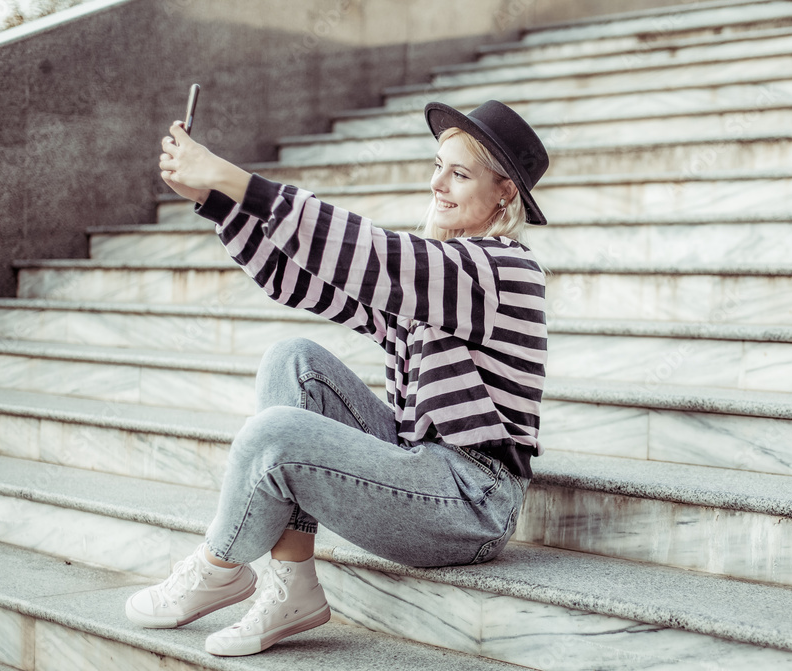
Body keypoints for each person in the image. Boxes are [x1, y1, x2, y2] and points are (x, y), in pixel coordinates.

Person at [124, 100, 550, 657]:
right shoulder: (441, 272)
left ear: (505, 193)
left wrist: (231, 176)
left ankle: (219, 564)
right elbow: (303, 282)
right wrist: (216, 200)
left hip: (473, 501)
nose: (437, 183)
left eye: (459, 173)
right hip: (423, 468)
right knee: (293, 362)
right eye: (438, 165)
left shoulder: (501, 271)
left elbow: (368, 253)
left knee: (276, 435)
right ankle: (293, 583)